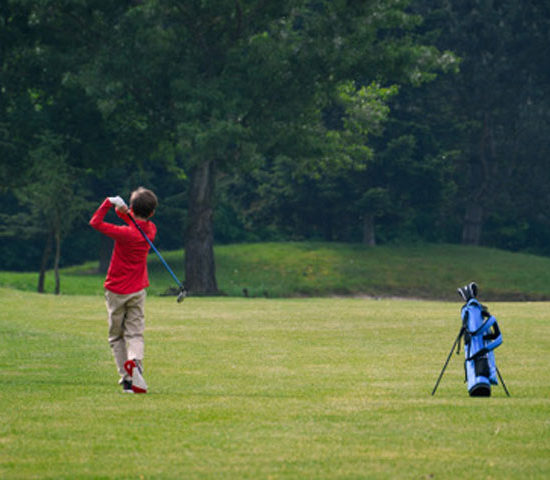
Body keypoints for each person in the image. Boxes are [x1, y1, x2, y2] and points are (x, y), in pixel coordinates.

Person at [89, 187, 158, 393]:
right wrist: (123, 210)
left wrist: (108, 203)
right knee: (135, 333)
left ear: (133, 207)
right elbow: (134, 221)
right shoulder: (151, 230)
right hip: (138, 290)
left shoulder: (124, 233)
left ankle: (127, 379)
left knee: (116, 336)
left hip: (116, 291)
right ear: (152, 213)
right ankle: (135, 361)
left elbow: (95, 223)